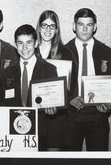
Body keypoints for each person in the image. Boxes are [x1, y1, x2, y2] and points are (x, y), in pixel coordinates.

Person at [65, 8, 111, 151]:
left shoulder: (107, 52)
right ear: (74, 26)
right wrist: (69, 99)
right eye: (80, 24)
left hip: (98, 116)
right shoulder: (63, 51)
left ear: (95, 27)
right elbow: (56, 83)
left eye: (89, 25)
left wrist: (108, 104)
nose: (85, 29)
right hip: (70, 116)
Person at [0, 24, 58, 151]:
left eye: (29, 42)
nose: (24, 47)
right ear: (15, 44)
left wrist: (53, 109)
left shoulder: (49, 70)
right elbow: (1, 105)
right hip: (12, 135)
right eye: (20, 43)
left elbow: (55, 108)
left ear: (36, 43)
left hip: (40, 135)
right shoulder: (7, 72)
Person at [35, 10, 78, 150]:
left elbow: (72, 85)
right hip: (35, 113)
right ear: (39, 27)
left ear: (57, 29)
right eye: (44, 25)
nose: (48, 29)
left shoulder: (66, 53)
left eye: (52, 26)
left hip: (57, 116)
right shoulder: (30, 50)